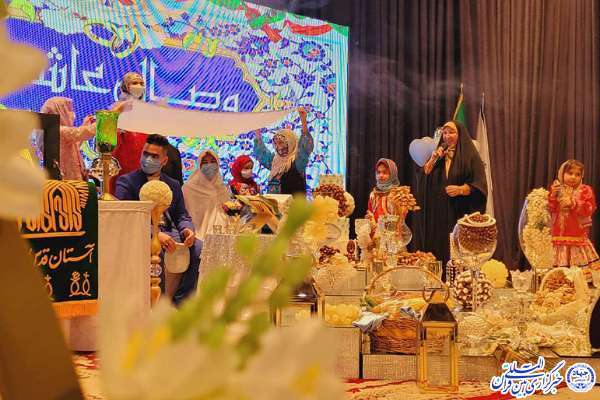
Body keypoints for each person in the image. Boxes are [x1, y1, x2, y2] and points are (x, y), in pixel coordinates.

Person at [115, 134, 201, 305]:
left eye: (154, 156)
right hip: (141, 233)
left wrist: (187, 230)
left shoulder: (173, 184)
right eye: (145, 154)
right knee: (157, 251)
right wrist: (155, 234)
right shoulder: (126, 182)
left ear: (164, 161)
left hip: (170, 232)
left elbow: (182, 215)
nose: (148, 159)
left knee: (199, 249)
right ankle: (156, 305)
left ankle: (181, 303)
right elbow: (125, 217)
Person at [414, 120, 487, 267]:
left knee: (457, 253)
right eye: (445, 133)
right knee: (438, 250)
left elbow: (480, 184)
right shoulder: (438, 157)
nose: (447, 136)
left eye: (451, 132)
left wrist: (462, 189)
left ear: (460, 134)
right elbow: (423, 177)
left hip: (459, 212)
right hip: (439, 215)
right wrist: (433, 158)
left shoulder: (471, 156)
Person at [40, 97, 124, 180]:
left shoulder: (56, 130)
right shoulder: (57, 131)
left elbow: (72, 147)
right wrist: (113, 113)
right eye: (69, 110)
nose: (72, 114)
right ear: (59, 111)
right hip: (66, 184)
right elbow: (87, 131)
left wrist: (84, 125)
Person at [548, 160, 599, 277]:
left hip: (577, 237)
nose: (573, 177)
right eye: (570, 173)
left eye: (577, 174)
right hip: (557, 237)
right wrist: (552, 195)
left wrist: (573, 203)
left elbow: (589, 208)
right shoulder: (556, 188)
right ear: (562, 173)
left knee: (579, 277)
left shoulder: (585, 190)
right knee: (558, 278)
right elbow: (550, 209)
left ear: (581, 176)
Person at [254, 107, 313, 195]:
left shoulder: (297, 161)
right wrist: (257, 133)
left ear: (291, 142)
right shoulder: (275, 161)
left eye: (281, 143)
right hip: (273, 202)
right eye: (275, 144)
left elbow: (305, 147)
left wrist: (303, 121)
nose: (279, 147)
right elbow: (262, 154)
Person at [182, 150, 230, 240]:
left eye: (213, 162)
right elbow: (184, 216)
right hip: (196, 236)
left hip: (222, 235)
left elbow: (228, 212)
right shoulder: (189, 188)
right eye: (205, 162)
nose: (209, 165)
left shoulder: (222, 188)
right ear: (199, 166)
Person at [367, 158, 401, 223]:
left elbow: (400, 218)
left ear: (392, 174)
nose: (381, 175)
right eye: (378, 172)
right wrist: (369, 218)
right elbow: (370, 213)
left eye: (385, 172)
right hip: (375, 228)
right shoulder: (373, 194)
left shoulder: (398, 195)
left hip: (394, 229)